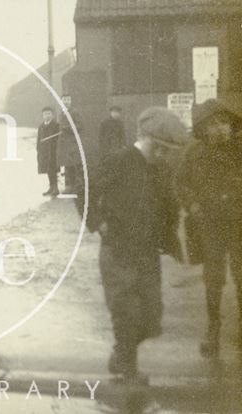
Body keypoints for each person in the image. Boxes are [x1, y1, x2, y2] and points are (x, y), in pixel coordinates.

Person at [78, 107, 187, 381]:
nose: (162, 155)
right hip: (118, 249)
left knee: (151, 318)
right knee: (125, 311)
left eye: (167, 150)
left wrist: (171, 238)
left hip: (147, 252)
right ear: (145, 137)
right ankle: (128, 367)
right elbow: (85, 190)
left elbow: (167, 204)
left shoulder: (160, 167)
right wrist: (98, 223)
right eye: (158, 148)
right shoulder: (119, 160)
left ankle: (121, 354)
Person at [175, 99, 242, 358]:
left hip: (238, 223)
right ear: (204, 128)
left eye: (224, 123)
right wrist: (192, 204)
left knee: (241, 277)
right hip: (210, 225)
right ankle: (212, 332)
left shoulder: (239, 150)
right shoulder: (194, 153)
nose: (221, 128)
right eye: (214, 124)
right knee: (213, 281)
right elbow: (181, 182)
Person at [56, 94, 84, 194]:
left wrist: (68, 128)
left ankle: (74, 187)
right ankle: (68, 186)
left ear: (71, 101)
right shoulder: (61, 113)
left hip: (72, 142)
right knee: (66, 165)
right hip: (63, 143)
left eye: (68, 99)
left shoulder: (74, 112)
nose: (66, 101)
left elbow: (80, 126)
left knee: (73, 164)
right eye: (64, 100)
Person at [36, 106, 61, 196]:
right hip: (44, 151)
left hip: (53, 151)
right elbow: (39, 139)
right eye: (45, 114)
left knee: (53, 169)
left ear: (52, 115)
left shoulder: (56, 125)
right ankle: (51, 187)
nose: (47, 116)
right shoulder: (41, 126)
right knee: (47, 169)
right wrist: (38, 149)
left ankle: (55, 187)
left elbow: (58, 139)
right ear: (43, 115)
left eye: (49, 114)